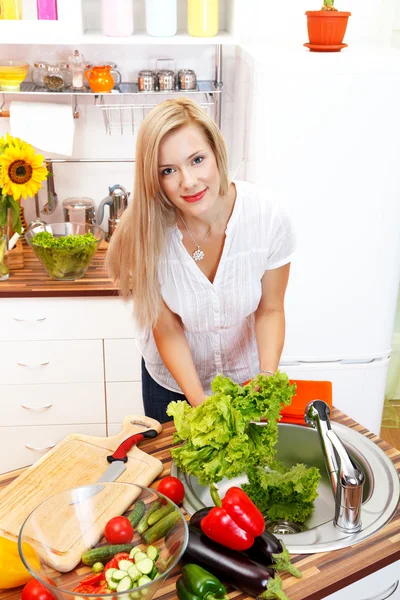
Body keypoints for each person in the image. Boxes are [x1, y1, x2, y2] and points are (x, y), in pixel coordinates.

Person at [106, 97, 296, 423]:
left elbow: (271, 309)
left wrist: (266, 378)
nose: (189, 182)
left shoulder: (268, 217)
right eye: (168, 170)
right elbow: (166, 327)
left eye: (197, 160)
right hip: (171, 387)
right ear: (154, 179)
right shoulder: (145, 233)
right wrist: (200, 404)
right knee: (177, 473)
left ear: (216, 151)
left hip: (246, 380)